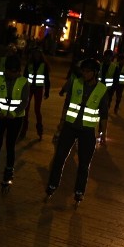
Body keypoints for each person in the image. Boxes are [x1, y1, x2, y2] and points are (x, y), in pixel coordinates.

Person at [45, 58, 108, 204]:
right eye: (83, 71)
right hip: (70, 127)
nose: (84, 74)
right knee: (59, 157)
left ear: (95, 73)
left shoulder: (101, 90)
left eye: (87, 71)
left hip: (87, 130)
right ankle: (52, 184)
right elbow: (67, 104)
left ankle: (79, 191)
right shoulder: (76, 83)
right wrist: (61, 122)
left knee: (84, 163)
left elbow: (104, 114)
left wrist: (103, 133)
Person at [0, 55, 29, 189]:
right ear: (6, 70)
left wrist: (14, 113)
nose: (12, 74)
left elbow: (24, 101)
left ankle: (9, 171)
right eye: (10, 71)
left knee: (10, 145)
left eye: (15, 71)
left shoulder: (23, 82)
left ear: (18, 71)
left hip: (15, 119)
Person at [21, 47, 51, 140]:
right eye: (35, 53)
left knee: (37, 109)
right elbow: (24, 77)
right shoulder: (29, 64)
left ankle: (39, 128)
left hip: (38, 88)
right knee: (26, 108)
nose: (36, 55)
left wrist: (47, 91)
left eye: (38, 54)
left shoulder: (44, 65)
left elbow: (47, 79)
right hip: (29, 88)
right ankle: (23, 128)